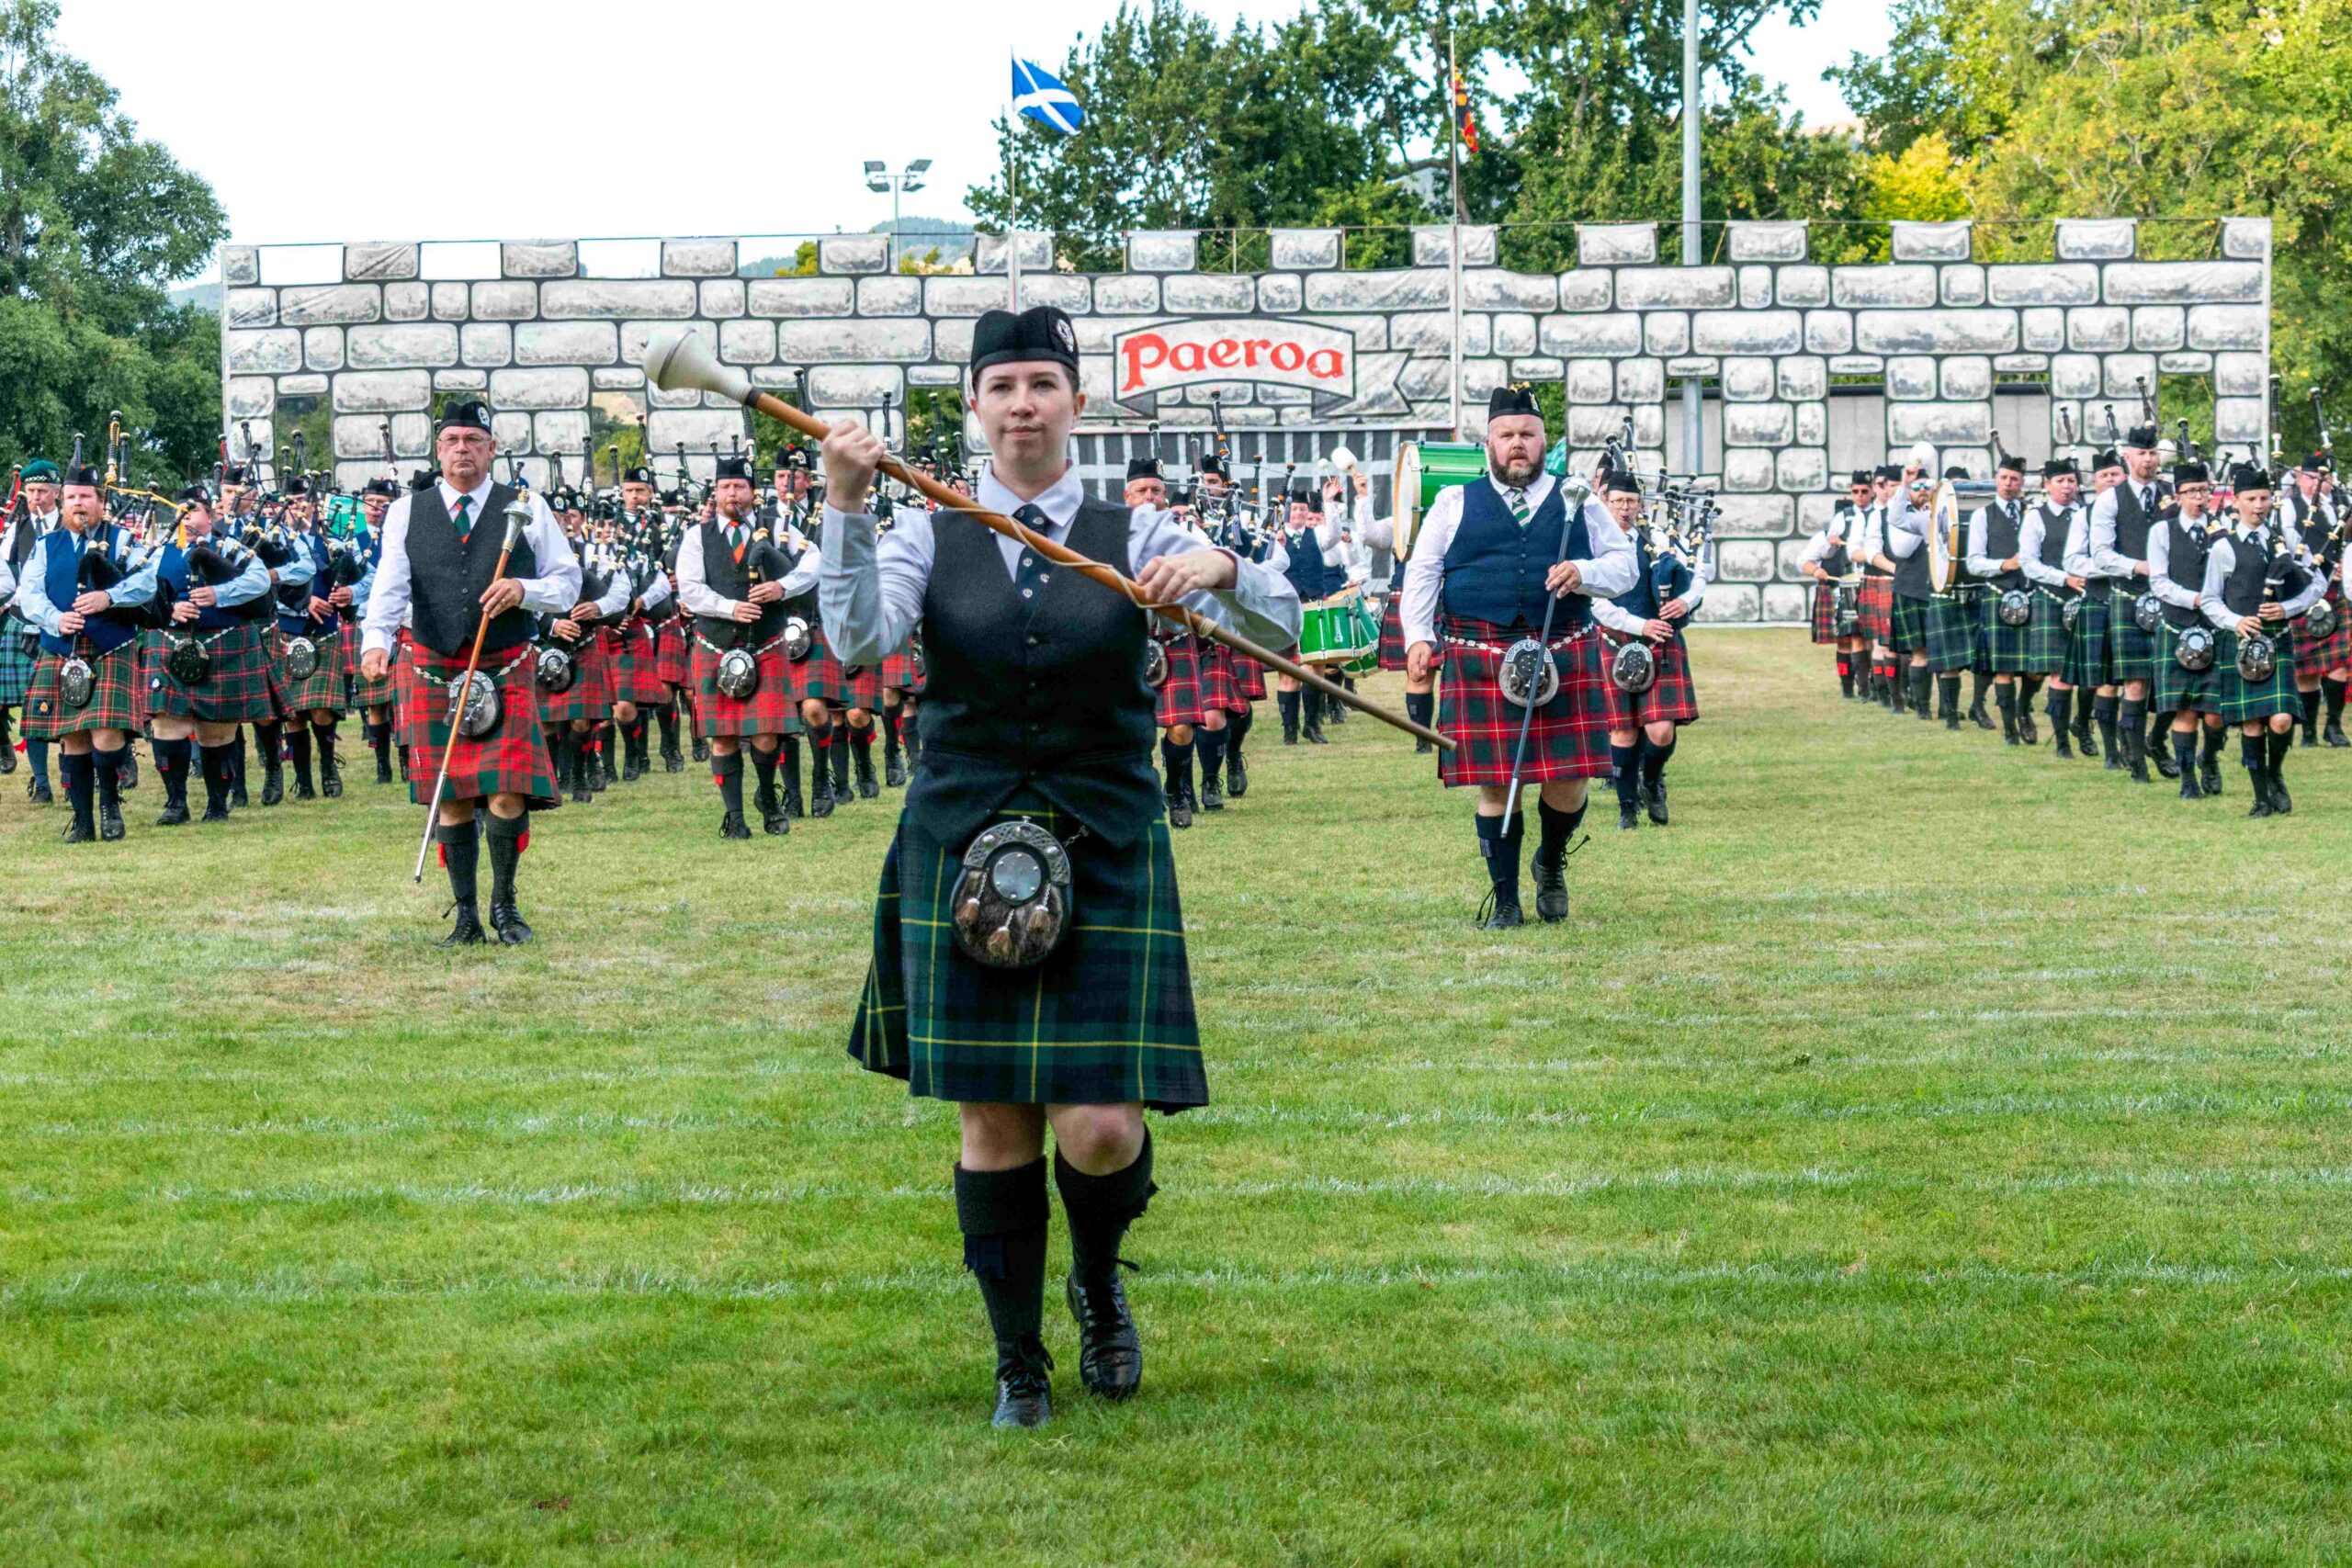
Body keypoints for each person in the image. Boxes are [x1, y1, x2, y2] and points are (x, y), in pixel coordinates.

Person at [819, 304, 1301, 1430]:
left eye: (1043, 383)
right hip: (960, 839)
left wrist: (1224, 566)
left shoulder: (1135, 535)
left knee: (1099, 1128)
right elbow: (856, 643)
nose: (1023, 404)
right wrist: (844, 504)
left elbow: (1281, 635)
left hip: (1106, 837)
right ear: (976, 408)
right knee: (994, 1121)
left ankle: (1095, 1281)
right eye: (1003, 387)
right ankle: (1016, 1359)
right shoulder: (919, 533)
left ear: (1077, 402)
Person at [1400, 385, 1637, 928]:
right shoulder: (1453, 502)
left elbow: (1626, 565)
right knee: (1497, 781)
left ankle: (1550, 862)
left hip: (1563, 651)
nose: (1516, 445)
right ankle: (1505, 900)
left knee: (1569, 780)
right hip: (1480, 654)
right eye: (1506, 435)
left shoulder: (1576, 496)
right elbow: (1424, 571)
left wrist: (1586, 572)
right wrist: (1418, 634)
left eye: (1526, 435)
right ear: (1488, 442)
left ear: (1543, 441)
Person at [358, 401, 581, 945]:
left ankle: (504, 905)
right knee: (452, 793)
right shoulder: (408, 512)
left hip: (504, 661)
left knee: (507, 792)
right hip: (434, 663)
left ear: (492, 449)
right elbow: (391, 583)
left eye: (474, 440)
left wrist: (524, 591)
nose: (463, 449)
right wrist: (375, 640)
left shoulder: (526, 506)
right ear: (439, 449)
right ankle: (465, 916)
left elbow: (568, 581)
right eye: (453, 439)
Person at [676, 454, 819, 839]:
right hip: (716, 641)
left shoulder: (779, 526)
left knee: (766, 734)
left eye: (739, 487)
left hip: (767, 641)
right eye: (724, 487)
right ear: (715, 493)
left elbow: (813, 563)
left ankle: (769, 801)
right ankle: (735, 817)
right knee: (723, 738)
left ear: (753, 492)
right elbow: (690, 588)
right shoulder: (697, 536)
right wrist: (729, 608)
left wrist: (781, 587)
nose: (731, 494)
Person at [17, 462, 160, 842]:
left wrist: (108, 597)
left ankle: (110, 806)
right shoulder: (48, 546)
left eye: (85, 497)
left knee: (106, 734)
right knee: (73, 737)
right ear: (63, 501)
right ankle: (82, 821)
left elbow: (147, 583)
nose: (78, 503)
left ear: (100, 501)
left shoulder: (123, 540)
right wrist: (54, 619)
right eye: (71, 497)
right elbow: (29, 594)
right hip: (62, 649)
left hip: (110, 646)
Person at [138, 488, 276, 823]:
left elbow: (259, 582)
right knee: (166, 725)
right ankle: (176, 803)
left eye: (193, 510)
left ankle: (216, 803)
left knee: (216, 731)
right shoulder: (158, 552)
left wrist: (219, 593)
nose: (186, 517)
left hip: (224, 643)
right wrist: (170, 609)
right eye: (181, 511)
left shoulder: (230, 547)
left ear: (210, 516)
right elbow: (141, 590)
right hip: (172, 643)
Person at [2201, 462, 2322, 816]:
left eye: (2265, 498)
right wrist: (2236, 621)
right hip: (2241, 643)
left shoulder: (2286, 540)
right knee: (2252, 722)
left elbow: (2315, 584)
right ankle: (2259, 798)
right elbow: (2210, 598)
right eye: (2251, 499)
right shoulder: (2224, 548)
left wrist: (2288, 609)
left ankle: (2275, 773)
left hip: (2278, 638)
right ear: (2236, 501)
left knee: (2281, 719)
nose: (2259, 505)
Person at [1588, 467, 1705, 829]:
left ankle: (1651, 780)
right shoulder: (1592, 542)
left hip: (1660, 643)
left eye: (1632, 502)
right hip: (1614, 639)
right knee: (1623, 731)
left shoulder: (1656, 536)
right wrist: (1640, 624)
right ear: (1605, 502)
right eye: (1618, 501)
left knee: (1661, 731)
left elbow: (1698, 570)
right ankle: (1627, 808)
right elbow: (1595, 603)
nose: (1625, 508)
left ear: (1641, 504)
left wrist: (1686, 601)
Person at [2144, 460, 2232, 799]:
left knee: (2215, 715)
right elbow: (2159, 583)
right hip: (2177, 626)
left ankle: (2209, 758)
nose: (2199, 498)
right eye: (2192, 492)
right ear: (2177, 496)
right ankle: (2187, 781)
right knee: (2185, 710)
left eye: (2204, 490)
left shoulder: (2222, 529)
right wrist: (2197, 599)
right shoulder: (2162, 532)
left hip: (2216, 629)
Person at [2090, 426, 2168, 783]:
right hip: (2129, 596)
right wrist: (2138, 566)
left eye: (2153, 453)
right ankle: (2137, 761)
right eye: (2142, 453)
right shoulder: (2110, 500)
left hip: (2172, 599)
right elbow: (2101, 555)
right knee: (2136, 685)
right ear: (2128, 457)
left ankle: (2155, 740)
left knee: (2174, 680)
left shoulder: (2172, 495)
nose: (2148, 459)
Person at [1965, 452, 2045, 745]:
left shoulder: (2034, 513)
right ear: (1996, 479)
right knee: (2005, 668)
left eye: (2015, 479)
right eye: (2004, 478)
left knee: (2037, 668)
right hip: (1999, 596)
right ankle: (2010, 729)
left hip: (2032, 594)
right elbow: (1972, 562)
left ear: (2022, 482)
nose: (2009, 484)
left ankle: (2024, 710)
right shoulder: (1981, 516)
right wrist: (2003, 565)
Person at [2017, 458, 2090, 757]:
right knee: (2051, 673)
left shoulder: (2087, 515)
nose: (2067, 486)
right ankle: (2057, 739)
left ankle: (2081, 728)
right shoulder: (2036, 517)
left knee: (2087, 673)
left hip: (2085, 600)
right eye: (2060, 481)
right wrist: (2065, 578)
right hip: (2051, 598)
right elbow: (2029, 563)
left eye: (2071, 480)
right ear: (2047, 485)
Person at [0, 457, 62, 801]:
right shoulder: (16, 529)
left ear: (56, 491)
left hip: (67, 625)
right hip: (25, 625)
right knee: (31, 706)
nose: (36, 497)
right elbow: (5, 574)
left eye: (43, 491)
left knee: (73, 704)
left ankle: (73, 774)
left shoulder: (71, 526)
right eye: (31, 491)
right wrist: (12, 596)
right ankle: (41, 782)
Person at [2279, 453, 2349, 746]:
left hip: (2334, 591)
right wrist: (2322, 567)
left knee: (2340, 662)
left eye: (2324, 478)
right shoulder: (2289, 508)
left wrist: (2340, 565)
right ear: (2299, 478)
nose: (2317, 484)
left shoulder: (2337, 508)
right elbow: (2292, 541)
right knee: (2305, 668)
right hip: (2303, 589)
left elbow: (2343, 544)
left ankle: (2333, 725)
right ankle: (2308, 732)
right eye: (2311, 478)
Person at [1801, 470, 1871, 699]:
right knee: (1845, 640)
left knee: (1871, 641)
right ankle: (1849, 688)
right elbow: (1806, 559)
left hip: (1873, 585)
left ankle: (1869, 689)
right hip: (1847, 587)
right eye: (1855, 492)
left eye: (1864, 491)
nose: (1860, 496)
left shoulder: (1880, 515)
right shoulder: (1842, 519)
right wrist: (1817, 569)